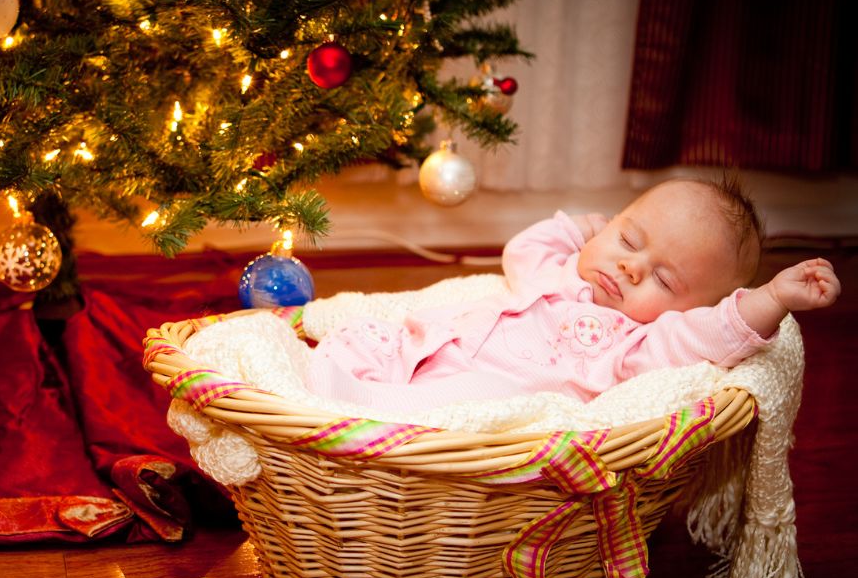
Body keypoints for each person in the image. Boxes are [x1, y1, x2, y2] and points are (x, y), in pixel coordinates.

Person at [305, 177, 841, 413]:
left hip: (482, 394)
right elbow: (523, 247)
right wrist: (587, 228)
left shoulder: (638, 345)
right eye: (629, 239)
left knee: (458, 408)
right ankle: (314, 399)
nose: (630, 267)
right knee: (358, 339)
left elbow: (715, 334)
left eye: (663, 280)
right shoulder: (558, 272)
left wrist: (772, 297)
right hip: (427, 346)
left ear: (687, 310)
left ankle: (371, 419)